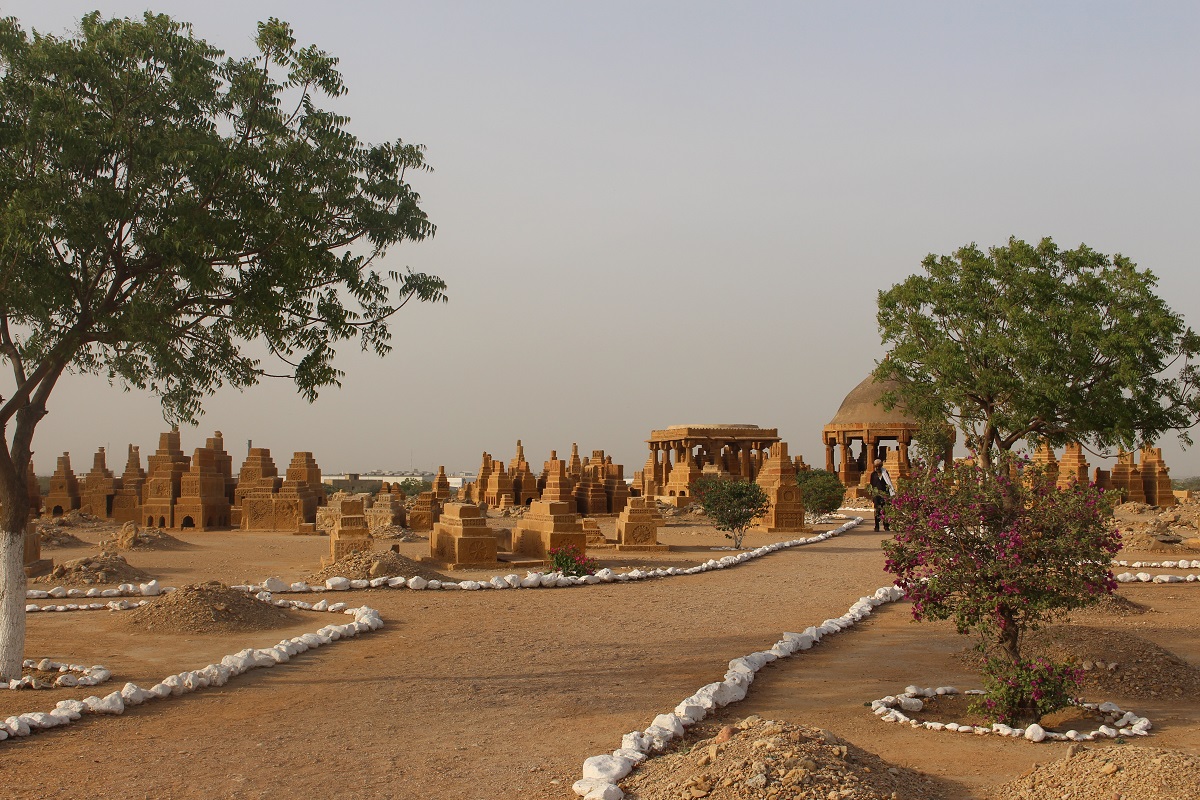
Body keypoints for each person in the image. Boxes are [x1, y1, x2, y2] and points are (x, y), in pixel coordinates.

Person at [869, 459, 891, 532]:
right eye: (876, 466)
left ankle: (886, 526)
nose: (877, 467)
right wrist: (872, 495)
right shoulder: (873, 474)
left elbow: (888, 484)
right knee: (877, 511)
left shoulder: (885, 473)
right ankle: (877, 526)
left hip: (885, 494)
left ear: (881, 466)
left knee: (885, 511)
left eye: (879, 466)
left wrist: (889, 495)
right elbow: (871, 485)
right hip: (876, 495)